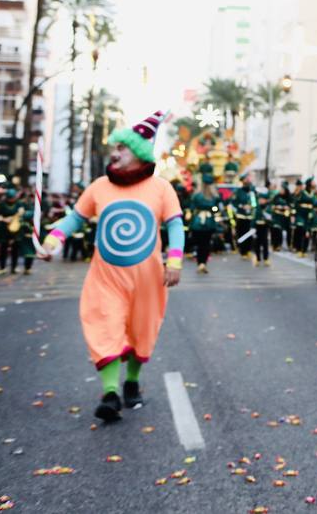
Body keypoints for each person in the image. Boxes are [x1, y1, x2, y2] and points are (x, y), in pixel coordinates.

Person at [40, 110, 184, 422]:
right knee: (106, 326)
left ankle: (131, 382)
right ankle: (110, 393)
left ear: (140, 153)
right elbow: (75, 217)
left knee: (141, 331)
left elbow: (175, 226)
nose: (114, 152)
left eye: (122, 147)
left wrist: (174, 260)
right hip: (106, 277)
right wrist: (53, 240)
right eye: (114, 147)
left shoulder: (161, 188)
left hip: (148, 279)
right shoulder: (99, 187)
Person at [187, 172, 222, 273]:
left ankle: (200, 263)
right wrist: (213, 209)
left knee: (199, 244)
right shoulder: (214, 197)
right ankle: (203, 263)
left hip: (197, 221)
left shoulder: (196, 196)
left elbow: (192, 208)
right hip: (209, 221)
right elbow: (217, 209)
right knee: (206, 244)